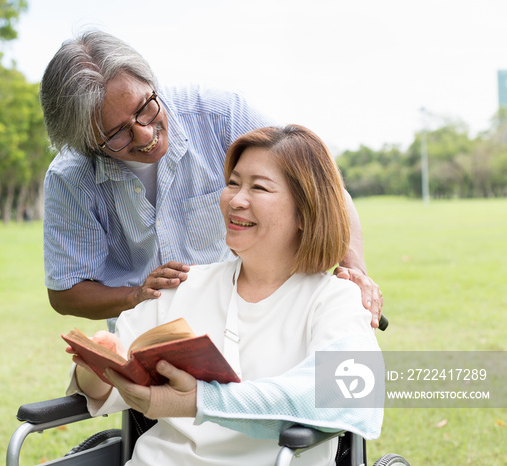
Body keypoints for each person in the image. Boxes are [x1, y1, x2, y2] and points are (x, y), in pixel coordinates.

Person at [66, 125, 384, 465]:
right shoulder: (182, 285)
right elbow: (107, 388)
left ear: (305, 213)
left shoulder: (336, 300)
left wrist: (199, 401)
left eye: (258, 187)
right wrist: (97, 365)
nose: (236, 200)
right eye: (233, 183)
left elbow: (349, 397)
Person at [40, 30, 382, 329]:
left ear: (150, 84)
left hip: (251, 322)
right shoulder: (69, 178)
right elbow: (66, 292)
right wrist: (137, 294)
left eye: (146, 108)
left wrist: (355, 272)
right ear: (86, 141)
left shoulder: (221, 115)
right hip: (150, 339)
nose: (145, 135)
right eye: (117, 134)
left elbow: (323, 190)